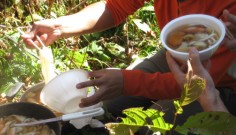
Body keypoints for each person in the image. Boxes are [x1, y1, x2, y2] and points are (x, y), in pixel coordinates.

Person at [21, 0, 236, 118]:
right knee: (110, 105)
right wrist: (60, 28)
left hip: (220, 84)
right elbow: (115, 6)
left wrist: (127, 82)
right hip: (175, 57)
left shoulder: (230, 11)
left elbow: (200, 84)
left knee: (151, 133)